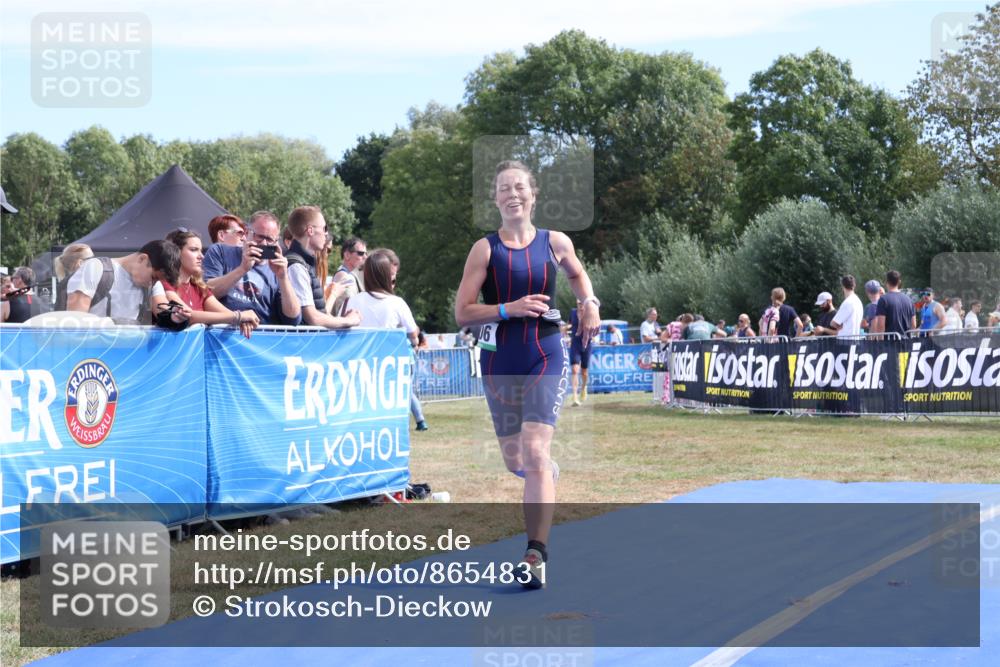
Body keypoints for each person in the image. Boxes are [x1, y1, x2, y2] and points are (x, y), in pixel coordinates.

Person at [454, 160, 599, 589]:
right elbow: (462, 313)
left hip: (544, 354)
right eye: (503, 189)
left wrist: (589, 301)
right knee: (516, 459)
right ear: (495, 198)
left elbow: (578, 277)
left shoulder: (555, 242)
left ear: (533, 195)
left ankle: (535, 553)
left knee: (535, 452)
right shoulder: (485, 249)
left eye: (519, 187)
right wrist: (506, 308)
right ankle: (543, 476)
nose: (512, 194)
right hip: (498, 359)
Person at [346, 248, 428, 431]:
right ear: (387, 276)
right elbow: (413, 334)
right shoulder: (396, 303)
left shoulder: (354, 301)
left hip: (363, 365)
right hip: (390, 366)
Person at [203, 210, 302, 325]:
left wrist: (283, 278)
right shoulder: (220, 251)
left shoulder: (277, 268)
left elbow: (293, 319)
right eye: (259, 237)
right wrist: (242, 269)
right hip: (222, 334)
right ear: (246, 233)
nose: (264, 244)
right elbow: (206, 294)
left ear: (276, 241)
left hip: (260, 337)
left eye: (270, 239)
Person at [161, 230, 260, 338]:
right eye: (194, 250)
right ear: (176, 253)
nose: (201, 256)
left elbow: (225, 313)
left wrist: (242, 319)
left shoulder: (199, 288)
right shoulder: (163, 283)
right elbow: (187, 315)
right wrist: (239, 316)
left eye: (200, 250)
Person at [285, 206, 361, 329]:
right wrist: (348, 321)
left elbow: (319, 313)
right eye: (324, 228)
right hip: (303, 344)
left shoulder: (304, 263)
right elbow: (312, 317)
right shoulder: (296, 265)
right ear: (310, 230)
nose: (326, 234)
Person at [66, 242, 160, 323]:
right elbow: (75, 323)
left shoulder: (150, 285)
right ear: (142, 259)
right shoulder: (95, 267)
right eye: (153, 277)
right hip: (93, 342)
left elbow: (164, 311)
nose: (153, 283)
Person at [871, 270, 916, 337]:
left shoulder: (883, 299)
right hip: (906, 343)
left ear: (886, 282)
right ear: (899, 282)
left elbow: (881, 326)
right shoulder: (909, 300)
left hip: (890, 344)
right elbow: (913, 325)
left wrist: (880, 344)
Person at [329, 237, 367, 316]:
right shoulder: (344, 276)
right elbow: (345, 309)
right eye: (361, 253)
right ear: (347, 255)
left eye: (366, 253)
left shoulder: (349, 275)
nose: (365, 257)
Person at [568, 302, 593, 406]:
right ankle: (574, 396)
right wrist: (564, 328)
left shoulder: (590, 312)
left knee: (584, 372)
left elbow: (594, 326)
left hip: (587, 344)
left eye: (582, 303)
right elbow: (569, 323)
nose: (580, 305)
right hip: (575, 344)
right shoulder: (573, 312)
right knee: (574, 370)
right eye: (578, 303)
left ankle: (583, 388)